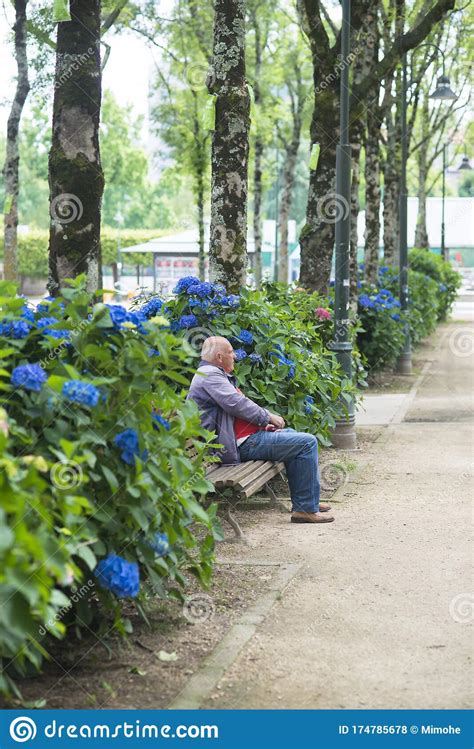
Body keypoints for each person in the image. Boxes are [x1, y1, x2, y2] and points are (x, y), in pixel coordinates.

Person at [186, 336, 334, 524]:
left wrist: (263, 423)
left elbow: (236, 409)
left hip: (241, 439)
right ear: (219, 356)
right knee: (306, 442)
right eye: (231, 352)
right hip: (233, 446)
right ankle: (304, 509)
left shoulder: (213, 373)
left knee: (292, 436)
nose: (235, 357)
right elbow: (237, 404)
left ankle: (307, 501)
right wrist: (267, 417)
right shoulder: (210, 376)